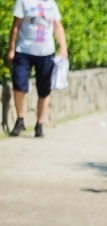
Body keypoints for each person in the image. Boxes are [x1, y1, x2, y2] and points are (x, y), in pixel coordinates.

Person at [8, 0, 68, 138]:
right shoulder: (23, 1)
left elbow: (58, 26)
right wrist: (11, 48)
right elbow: (15, 26)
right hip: (24, 50)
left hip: (46, 52)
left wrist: (63, 47)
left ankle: (39, 124)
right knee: (19, 84)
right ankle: (20, 119)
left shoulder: (51, 3)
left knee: (44, 89)